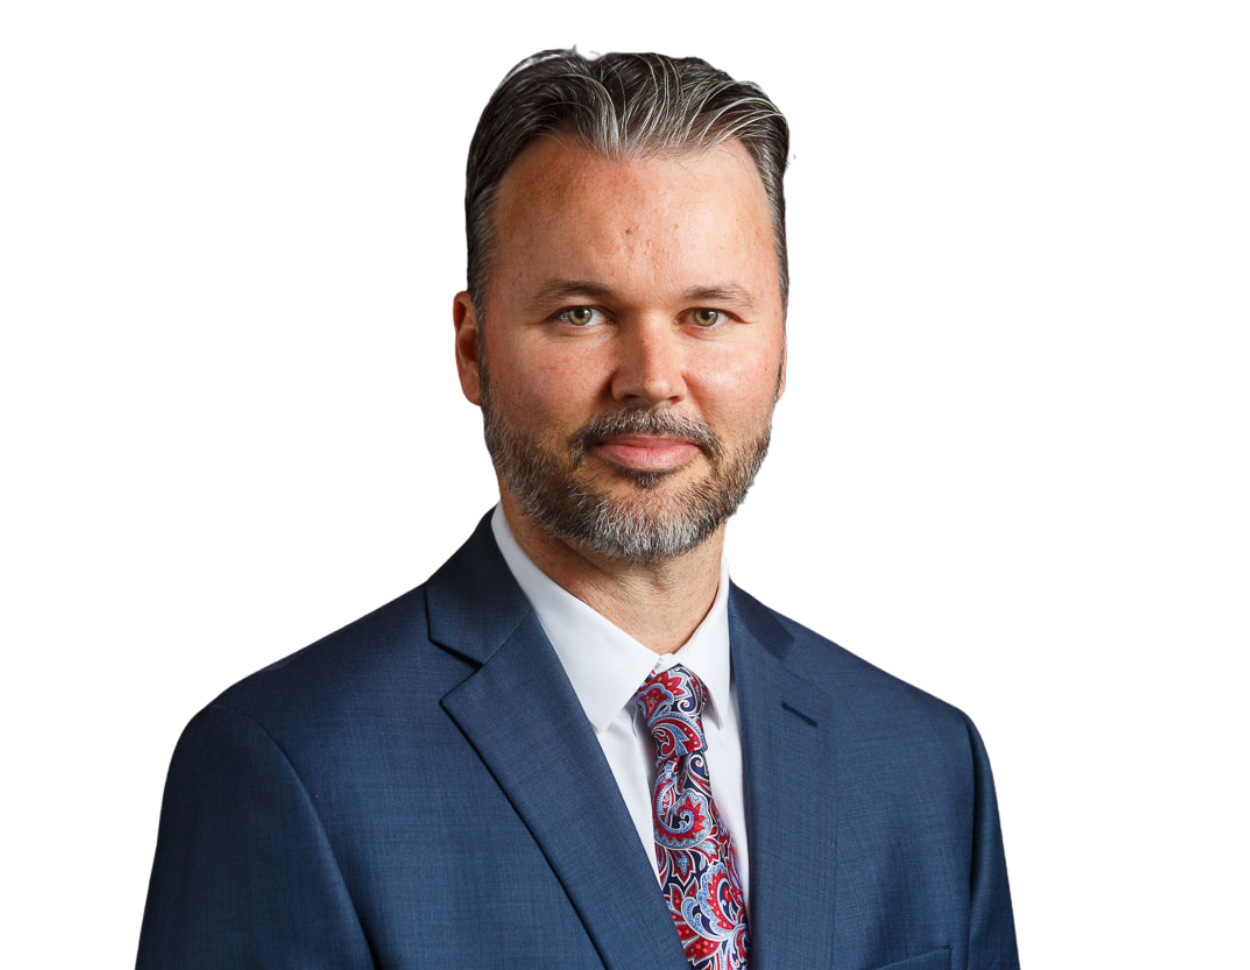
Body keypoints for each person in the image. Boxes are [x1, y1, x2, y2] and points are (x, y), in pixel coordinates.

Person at [136, 48, 1019, 970]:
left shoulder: (927, 764)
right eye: (582, 313)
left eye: (708, 315)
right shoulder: (287, 767)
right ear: (471, 351)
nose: (651, 381)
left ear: (785, 354)